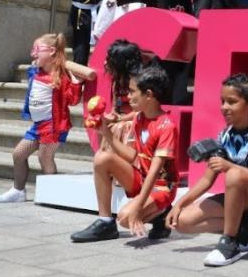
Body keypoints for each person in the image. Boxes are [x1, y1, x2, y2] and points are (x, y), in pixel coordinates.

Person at [168, 74, 248, 266]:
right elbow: (207, 179)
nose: (224, 107)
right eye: (222, 101)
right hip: (237, 195)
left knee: (235, 175)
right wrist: (179, 204)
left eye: (232, 102)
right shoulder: (224, 135)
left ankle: (229, 242)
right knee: (182, 222)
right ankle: (243, 225)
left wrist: (231, 167)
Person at [70, 65, 180, 242]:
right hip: (142, 177)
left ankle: (161, 212)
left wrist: (137, 208)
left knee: (125, 218)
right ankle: (105, 222)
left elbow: (154, 171)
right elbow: (134, 157)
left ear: (149, 95)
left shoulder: (167, 126)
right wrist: (106, 132)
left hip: (160, 186)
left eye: (132, 91)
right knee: (102, 157)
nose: (128, 96)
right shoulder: (139, 117)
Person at [0, 34, 82, 203]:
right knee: (19, 154)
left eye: (37, 50)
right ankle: (18, 191)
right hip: (38, 125)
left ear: (52, 52)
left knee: (45, 157)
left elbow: (73, 100)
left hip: (54, 125)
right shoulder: (36, 71)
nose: (33, 54)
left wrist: (76, 83)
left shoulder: (61, 77)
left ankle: (53, 194)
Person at [104, 39, 144, 116]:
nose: (105, 62)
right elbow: (115, 106)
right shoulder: (117, 79)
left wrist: (121, 119)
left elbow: (140, 111)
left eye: (109, 59)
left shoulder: (138, 81)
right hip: (122, 116)